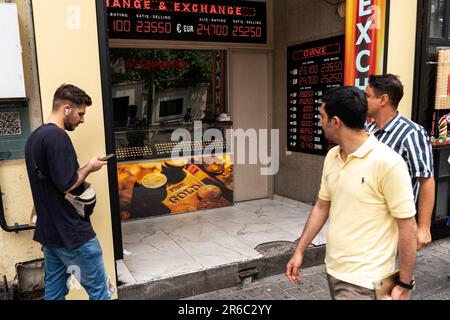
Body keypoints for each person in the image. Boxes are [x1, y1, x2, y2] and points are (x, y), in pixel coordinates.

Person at [286, 86, 418, 300]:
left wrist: (404, 283)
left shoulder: (388, 163)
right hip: (334, 269)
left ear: (335, 122)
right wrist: (300, 250)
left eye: (321, 116)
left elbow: (407, 226)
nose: (319, 121)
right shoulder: (332, 156)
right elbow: (321, 206)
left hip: (366, 281)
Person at [25, 84, 111, 300]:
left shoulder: (34, 138)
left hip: (50, 234)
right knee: (100, 290)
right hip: (72, 235)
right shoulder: (57, 137)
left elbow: (42, 183)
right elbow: (67, 183)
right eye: (80, 113)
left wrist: (36, 214)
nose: (82, 120)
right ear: (66, 109)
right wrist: (90, 167)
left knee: (54, 293)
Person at [365, 74, 435, 250]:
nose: (362, 101)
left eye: (367, 96)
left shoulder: (412, 133)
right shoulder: (367, 130)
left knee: (388, 274)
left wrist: (424, 228)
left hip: (395, 225)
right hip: (369, 221)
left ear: (383, 99)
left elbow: (426, 180)